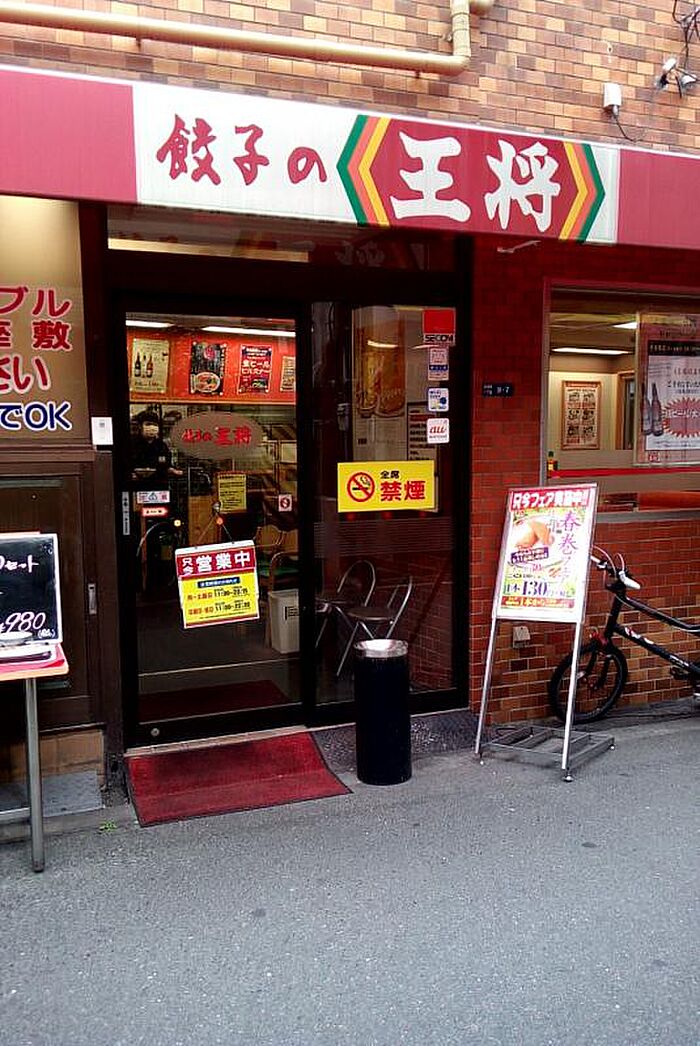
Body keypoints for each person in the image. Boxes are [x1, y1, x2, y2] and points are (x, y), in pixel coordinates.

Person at [131, 412, 183, 487]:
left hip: (159, 484)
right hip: (137, 485)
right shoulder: (132, 444)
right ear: (140, 426)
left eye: (155, 425)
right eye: (148, 424)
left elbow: (167, 465)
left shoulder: (161, 445)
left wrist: (173, 470)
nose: (152, 427)